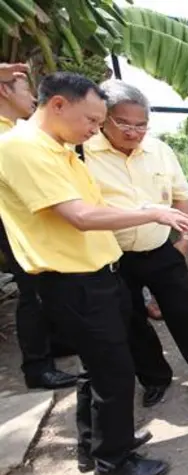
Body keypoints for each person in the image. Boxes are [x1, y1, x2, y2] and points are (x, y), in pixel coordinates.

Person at [0, 72, 188, 475]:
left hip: (92, 276)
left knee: (97, 369)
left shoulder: (59, 149)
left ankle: (94, 446)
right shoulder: (23, 149)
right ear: (58, 105)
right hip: (73, 281)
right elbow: (81, 216)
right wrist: (152, 212)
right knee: (114, 372)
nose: (95, 129)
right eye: (92, 119)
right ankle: (115, 465)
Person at [84, 80, 188, 407]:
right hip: (113, 256)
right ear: (103, 119)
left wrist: (183, 240)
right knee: (132, 322)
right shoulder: (83, 152)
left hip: (161, 251)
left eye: (141, 125)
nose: (133, 132)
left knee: (185, 314)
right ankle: (155, 378)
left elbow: (182, 197)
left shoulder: (160, 151)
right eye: (124, 123)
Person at [0, 69, 78, 389]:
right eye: (23, 88)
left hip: (33, 219)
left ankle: (55, 343)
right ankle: (37, 367)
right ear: (4, 91)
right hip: (14, 222)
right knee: (32, 293)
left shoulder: (16, 129)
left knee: (47, 287)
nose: (32, 97)